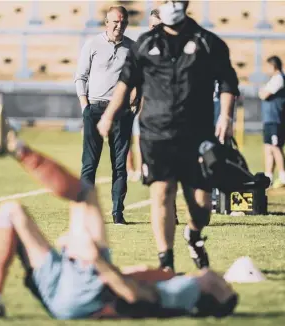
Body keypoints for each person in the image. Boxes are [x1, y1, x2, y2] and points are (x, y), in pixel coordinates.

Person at [0, 97, 239, 320]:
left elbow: (135, 296)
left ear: (213, 294)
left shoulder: (187, 294)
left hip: (83, 291)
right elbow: (138, 284)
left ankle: (16, 147)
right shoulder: (180, 287)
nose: (221, 278)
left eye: (225, 287)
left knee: (85, 194)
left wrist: (96, 260)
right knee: (10, 212)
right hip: (68, 294)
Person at [97, 0, 240, 271]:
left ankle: (194, 234)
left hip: (196, 134)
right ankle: (166, 262)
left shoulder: (209, 43)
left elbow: (228, 81)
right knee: (162, 194)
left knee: (201, 203)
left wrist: (226, 115)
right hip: (156, 133)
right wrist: (108, 115)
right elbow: (126, 82)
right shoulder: (145, 44)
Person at [75, 6, 138, 225]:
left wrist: (135, 101)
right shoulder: (92, 44)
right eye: (114, 22)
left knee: (119, 165)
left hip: (121, 113)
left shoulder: (132, 48)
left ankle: (117, 212)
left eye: (122, 22)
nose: (118, 26)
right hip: (94, 110)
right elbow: (80, 77)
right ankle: (86, 212)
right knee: (89, 164)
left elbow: (139, 80)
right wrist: (85, 106)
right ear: (106, 22)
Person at [127, 9, 162, 182]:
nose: (153, 29)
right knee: (135, 134)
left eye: (157, 25)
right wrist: (134, 95)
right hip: (143, 99)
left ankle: (147, 167)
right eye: (151, 25)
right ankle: (137, 168)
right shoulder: (143, 46)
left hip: (162, 102)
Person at [258, 55, 285, 189]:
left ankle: (283, 178)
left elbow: (263, 94)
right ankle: (268, 178)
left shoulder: (279, 79)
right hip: (269, 119)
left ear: (273, 66)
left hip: (277, 119)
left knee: (275, 147)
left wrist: (262, 91)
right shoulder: (273, 79)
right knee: (268, 148)